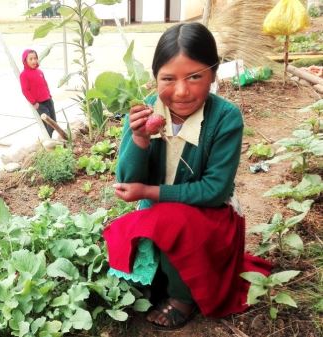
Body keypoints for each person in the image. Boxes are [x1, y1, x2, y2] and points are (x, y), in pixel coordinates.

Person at [102, 22, 271, 330]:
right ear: (155, 78)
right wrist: (138, 140)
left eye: (195, 77)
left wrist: (150, 193)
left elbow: (215, 190)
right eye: (168, 79)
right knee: (139, 233)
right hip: (159, 211)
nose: (181, 92)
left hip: (209, 216)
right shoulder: (147, 112)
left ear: (213, 75)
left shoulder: (225, 118)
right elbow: (126, 179)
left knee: (171, 222)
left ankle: (183, 297)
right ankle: (160, 278)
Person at [19, 49, 57, 137]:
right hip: (40, 104)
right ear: (25, 61)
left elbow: (45, 84)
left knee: (54, 121)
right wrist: (34, 103)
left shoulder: (39, 72)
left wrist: (49, 95)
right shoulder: (24, 75)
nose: (34, 61)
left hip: (48, 100)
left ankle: (56, 139)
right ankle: (49, 140)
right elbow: (25, 90)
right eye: (31, 59)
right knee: (48, 123)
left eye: (35, 58)